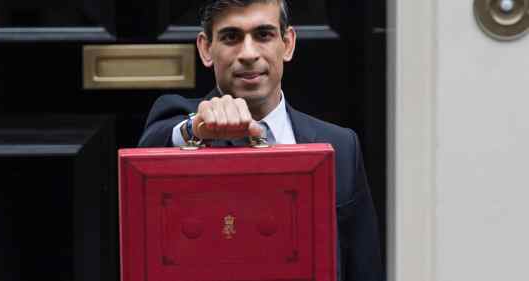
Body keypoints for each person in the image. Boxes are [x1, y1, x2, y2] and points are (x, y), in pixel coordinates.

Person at [138, 1, 383, 280]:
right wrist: (195, 130)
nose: (249, 53)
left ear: (288, 43)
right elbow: (151, 148)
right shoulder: (183, 123)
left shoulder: (340, 144)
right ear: (206, 49)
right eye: (231, 37)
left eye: (263, 35)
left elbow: (364, 266)